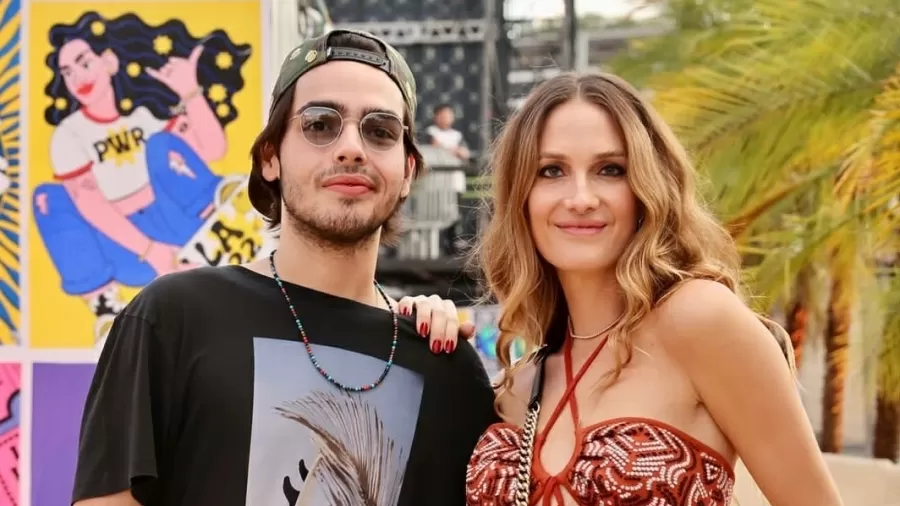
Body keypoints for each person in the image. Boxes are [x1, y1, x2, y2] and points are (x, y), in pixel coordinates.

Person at [71, 30, 498, 506]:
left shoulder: (446, 369)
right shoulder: (174, 319)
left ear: (408, 173)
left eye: (380, 131)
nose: (351, 148)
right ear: (270, 157)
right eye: (320, 124)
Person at [460, 72, 843, 505]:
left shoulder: (699, 319)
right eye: (552, 171)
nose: (581, 198)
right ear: (521, 197)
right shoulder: (518, 387)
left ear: (646, 187)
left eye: (610, 170)